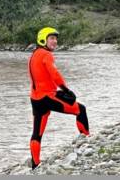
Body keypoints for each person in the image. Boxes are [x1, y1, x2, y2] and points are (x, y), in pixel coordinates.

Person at [28, 27, 89, 169]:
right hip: (47, 97)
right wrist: (66, 89)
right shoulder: (46, 55)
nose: (55, 41)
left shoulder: (34, 54)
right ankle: (87, 142)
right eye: (52, 38)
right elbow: (54, 74)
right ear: (43, 39)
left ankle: (35, 165)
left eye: (56, 38)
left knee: (37, 133)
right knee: (80, 109)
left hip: (36, 99)